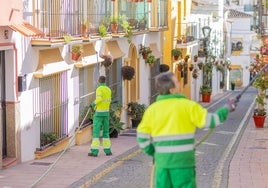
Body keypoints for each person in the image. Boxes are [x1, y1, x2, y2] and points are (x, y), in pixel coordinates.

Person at [136, 72, 236, 188]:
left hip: (162, 163)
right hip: (183, 164)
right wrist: (226, 108)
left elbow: (142, 135)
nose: (179, 84)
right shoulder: (188, 106)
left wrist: (153, 152)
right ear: (172, 89)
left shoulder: (152, 110)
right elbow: (210, 121)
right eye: (177, 82)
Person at [88, 75, 112, 157]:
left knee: (96, 133)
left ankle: (94, 152)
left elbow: (99, 100)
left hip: (98, 114)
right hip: (106, 113)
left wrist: (92, 104)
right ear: (105, 81)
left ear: (99, 81)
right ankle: (107, 150)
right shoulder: (108, 89)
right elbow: (108, 100)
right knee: (106, 132)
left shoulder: (99, 89)